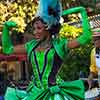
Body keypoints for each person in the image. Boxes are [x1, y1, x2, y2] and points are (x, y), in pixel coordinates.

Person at [2, 2, 92, 99]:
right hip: (35, 93)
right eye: (34, 29)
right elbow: (7, 49)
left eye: (39, 28)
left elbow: (86, 38)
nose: (35, 32)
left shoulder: (59, 45)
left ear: (48, 28)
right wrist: (6, 29)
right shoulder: (31, 46)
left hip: (54, 94)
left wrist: (83, 12)